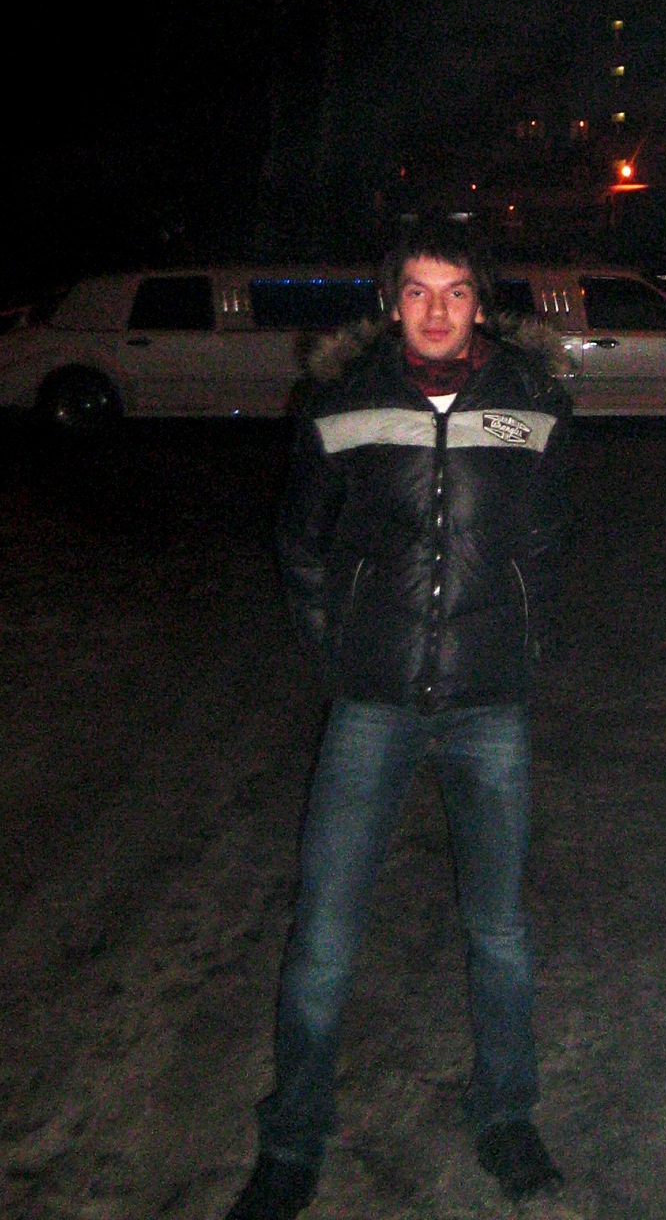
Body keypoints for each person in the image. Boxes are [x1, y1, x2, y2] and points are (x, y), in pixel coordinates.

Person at [227, 220, 573, 1218]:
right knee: (324, 936)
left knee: (499, 930)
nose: (435, 310)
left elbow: (549, 539)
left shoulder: (534, 400)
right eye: (416, 291)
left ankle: (505, 1113)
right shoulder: (340, 401)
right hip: (372, 701)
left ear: (480, 302)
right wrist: (341, 647)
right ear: (390, 303)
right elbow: (300, 541)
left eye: (454, 291)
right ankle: (293, 1139)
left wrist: (522, 640)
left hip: (489, 701)